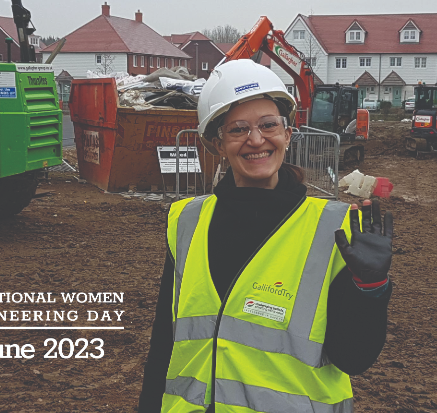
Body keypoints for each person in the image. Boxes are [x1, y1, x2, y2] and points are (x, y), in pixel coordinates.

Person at [138, 59, 393, 413]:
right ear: (217, 144)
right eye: (238, 129)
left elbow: (353, 358)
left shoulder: (333, 229)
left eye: (268, 125)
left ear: (288, 134)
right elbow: (165, 340)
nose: (255, 139)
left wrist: (371, 289)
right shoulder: (187, 221)